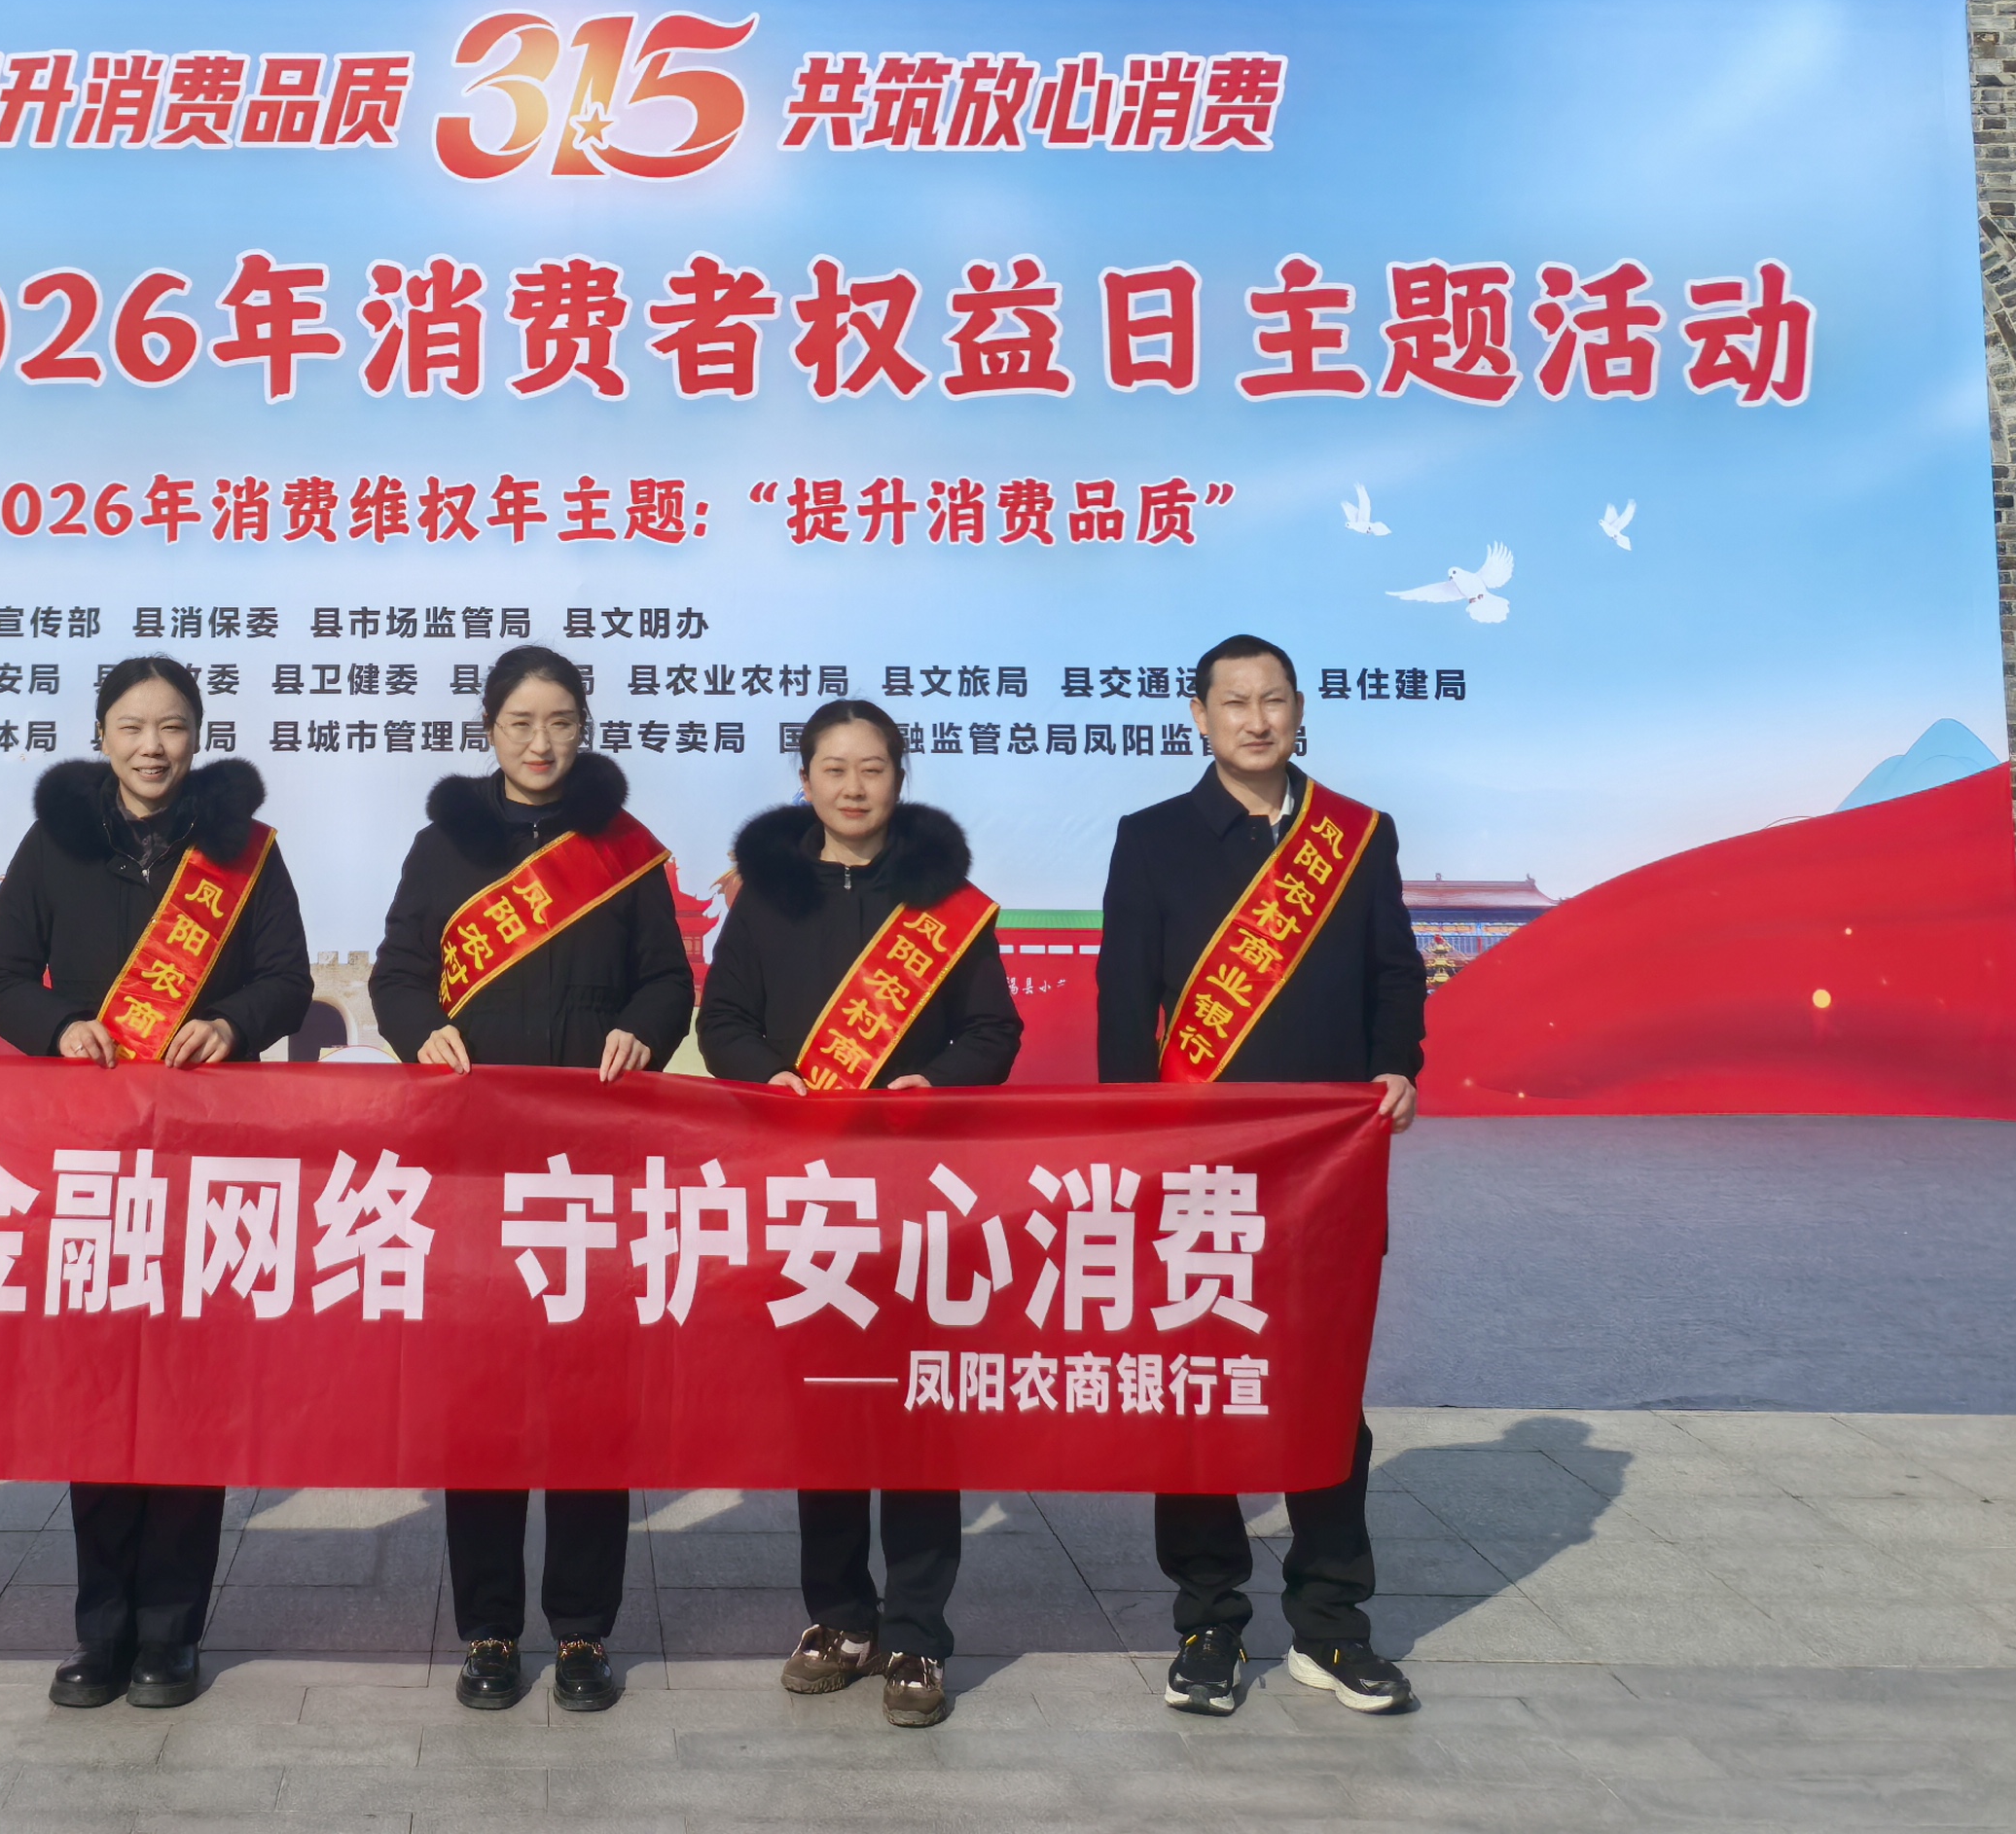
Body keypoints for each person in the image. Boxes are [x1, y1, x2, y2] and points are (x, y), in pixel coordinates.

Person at [1098, 631, 1427, 1720]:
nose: (1255, 719)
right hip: (1194, 1170)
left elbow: (1393, 971)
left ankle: (1331, 1627)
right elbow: (1123, 1007)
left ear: (1298, 711)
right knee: (1200, 1393)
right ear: (1198, 717)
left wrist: (1398, 1064)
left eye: (1272, 699)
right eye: (1233, 702)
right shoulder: (1151, 839)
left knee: (1323, 1391)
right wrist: (1131, 1148)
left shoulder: (1357, 835)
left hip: (1326, 1169)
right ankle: (1208, 1623)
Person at [0, 656, 308, 1711]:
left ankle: (170, 1633)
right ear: (101, 735)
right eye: (131, 726)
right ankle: (100, 1631)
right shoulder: (53, 844)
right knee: (99, 1392)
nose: (152, 747)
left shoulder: (244, 854)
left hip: (208, 1156)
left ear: (197, 735)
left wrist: (235, 1023)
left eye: (171, 727)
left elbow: (286, 980)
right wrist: (59, 1026)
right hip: (91, 1159)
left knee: (188, 1394)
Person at [369, 642, 691, 1716]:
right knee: (485, 1403)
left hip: (593, 1162)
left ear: (583, 729)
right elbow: (398, 973)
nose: (541, 742)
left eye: (560, 721)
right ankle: (490, 1630)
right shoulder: (443, 846)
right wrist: (423, 1033)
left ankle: (585, 1629)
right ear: (490, 730)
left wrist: (643, 1031)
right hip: (475, 1162)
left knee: (589, 1400)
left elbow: (667, 981)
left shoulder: (626, 850)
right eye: (521, 723)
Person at [697, 699, 1020, 1729]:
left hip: (919, 1191)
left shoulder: (948, 905)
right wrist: (774, 1078)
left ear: (898, 778)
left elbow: (993, 1032)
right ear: (804, 782)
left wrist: (935, 1084)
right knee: (827, 1406)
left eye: (871, 768)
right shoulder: (766, 901)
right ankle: (839, 1617)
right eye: (832, 769)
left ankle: (917, 1633)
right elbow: (723, 1020)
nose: (852, 787)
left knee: (918, 1409)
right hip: (810, 1192)